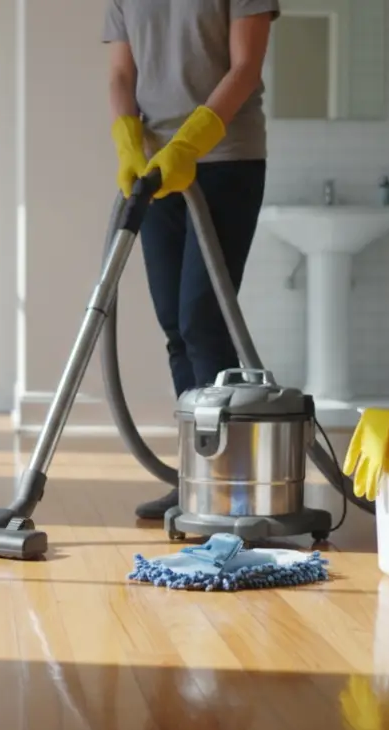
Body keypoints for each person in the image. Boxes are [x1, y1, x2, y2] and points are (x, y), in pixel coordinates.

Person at [103, 0, 279, 519]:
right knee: (175, 326)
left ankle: (225, 481)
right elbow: (120, 71)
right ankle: (196, 478)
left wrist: (192, 141)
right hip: (155, 166)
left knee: (203, 319)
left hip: (225, 158)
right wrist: (127, 139)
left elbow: (246, 66)